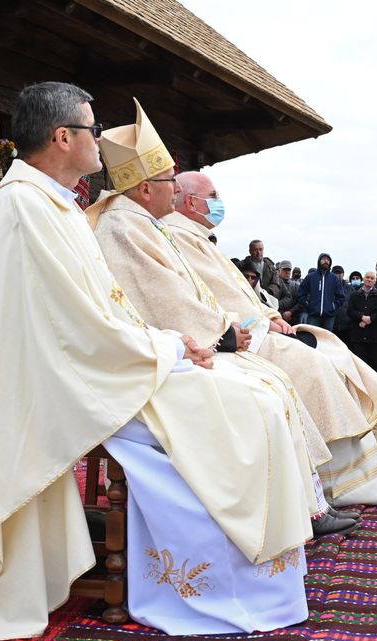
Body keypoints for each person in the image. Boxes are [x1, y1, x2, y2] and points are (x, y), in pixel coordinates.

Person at [0, 84, 322, 641]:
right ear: (63, 138)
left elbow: (91, 316)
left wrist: (167, 342)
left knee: (246, 391)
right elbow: (78, 331)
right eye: (91, 130)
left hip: (84, 368)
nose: (99, 143)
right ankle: (217, 587)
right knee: (243, 405)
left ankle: (239, 579)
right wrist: (169, 350)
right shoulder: (26, 210)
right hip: (58, 387)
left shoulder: (49, 204)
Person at [86, 101, 355, 537]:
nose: (174, 191)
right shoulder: (123, 226)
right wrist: (224, 334)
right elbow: (160, 301)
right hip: (153, 361)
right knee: (264, 394)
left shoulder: (143, 222)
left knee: (272, 382)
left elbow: (192, 290)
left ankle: (304, 507)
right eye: (167, 182)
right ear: (142, 188)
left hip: (180, 346)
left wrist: (227, 329)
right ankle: (264, 521)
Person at [164, 171, 377, 507]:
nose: (219, 203)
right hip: (240, 338)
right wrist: (262, 324)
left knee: (333, 354)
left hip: (255, 327)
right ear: (190, 201)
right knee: (316, 366)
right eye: (213, 195)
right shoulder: (180, 237)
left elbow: (237, 292)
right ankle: (340, 485)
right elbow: (213, 299)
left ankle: (347, 479)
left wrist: (270, 316)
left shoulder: (197, 236)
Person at [346, 270, 377, 376]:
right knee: (359, 365)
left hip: (374, 336)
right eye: (367, 277)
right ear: (363, 279)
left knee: (373, 365)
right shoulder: (354, 295)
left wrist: (370, 319)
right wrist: (361, 317)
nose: (369, 279)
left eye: (372, 278)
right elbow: (350, 311)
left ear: (375, 281)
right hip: (358, 335)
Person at [297, 253, 344, 331]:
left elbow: (341, 296)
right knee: (312, 338)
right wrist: (308, 305)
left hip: (329, 317)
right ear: (319, 261)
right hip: (313, 315)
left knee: (327, 340)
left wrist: (333, 306)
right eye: (323, 259)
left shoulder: (334, 278)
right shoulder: (310, 277)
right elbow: (301, 293)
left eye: (328, 259)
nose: (326, 261)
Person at [331, 265, 354, 346]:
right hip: (332, 325)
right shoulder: (328, 287)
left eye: (339, 273)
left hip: (347, 326)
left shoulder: (350, 289)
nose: (338, 275)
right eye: (335, 273)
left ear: (343, 274)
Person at [274, 259, 301, 324]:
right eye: (285, 270)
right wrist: (282, 314)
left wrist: (291, 312)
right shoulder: (274, 284)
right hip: (277, 317)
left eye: (289, 270)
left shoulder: (296, 285)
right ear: (279, 270)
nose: (287, 272)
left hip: (293, 318)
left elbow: (300, 302)